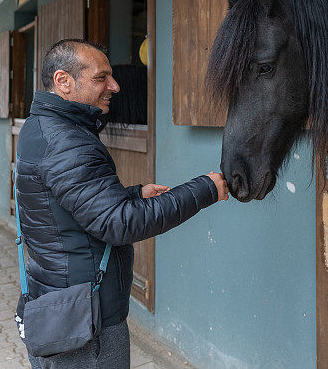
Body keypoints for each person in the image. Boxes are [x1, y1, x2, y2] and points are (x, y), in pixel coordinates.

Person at [15, 39, 228, 368]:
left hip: (54, 298)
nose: (114, 86)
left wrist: (132, 195)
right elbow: (120, 224)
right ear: (63, 81)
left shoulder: (41, 127)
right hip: (88, 318)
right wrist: (205, 189)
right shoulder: (68, 141)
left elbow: (63, 203)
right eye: (101, 78)